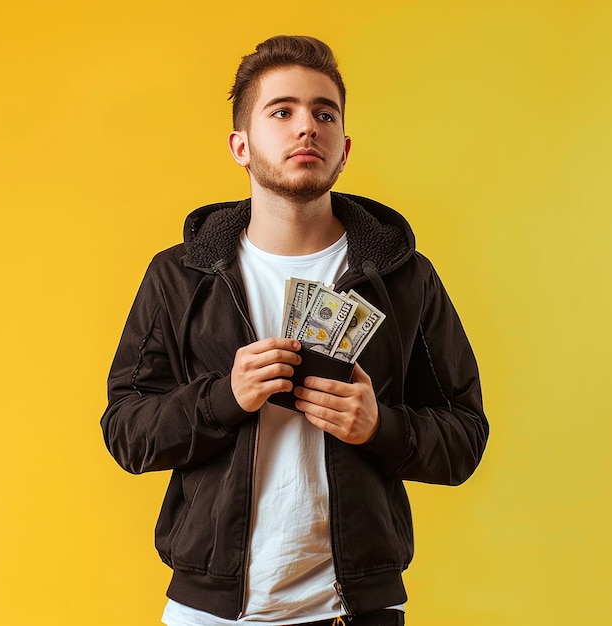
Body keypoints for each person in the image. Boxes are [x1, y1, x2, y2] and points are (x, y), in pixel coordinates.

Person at [100, 35, 489, 626]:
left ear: (344, 148)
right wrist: (222, 398)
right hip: (210, 610)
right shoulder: (179, 276)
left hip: (357, 607)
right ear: (241, 145)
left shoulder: (405, 278)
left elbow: (465, 437)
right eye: (281, 111)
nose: (306, 127)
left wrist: (379, 425)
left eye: (323, 113)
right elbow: (126, 431)